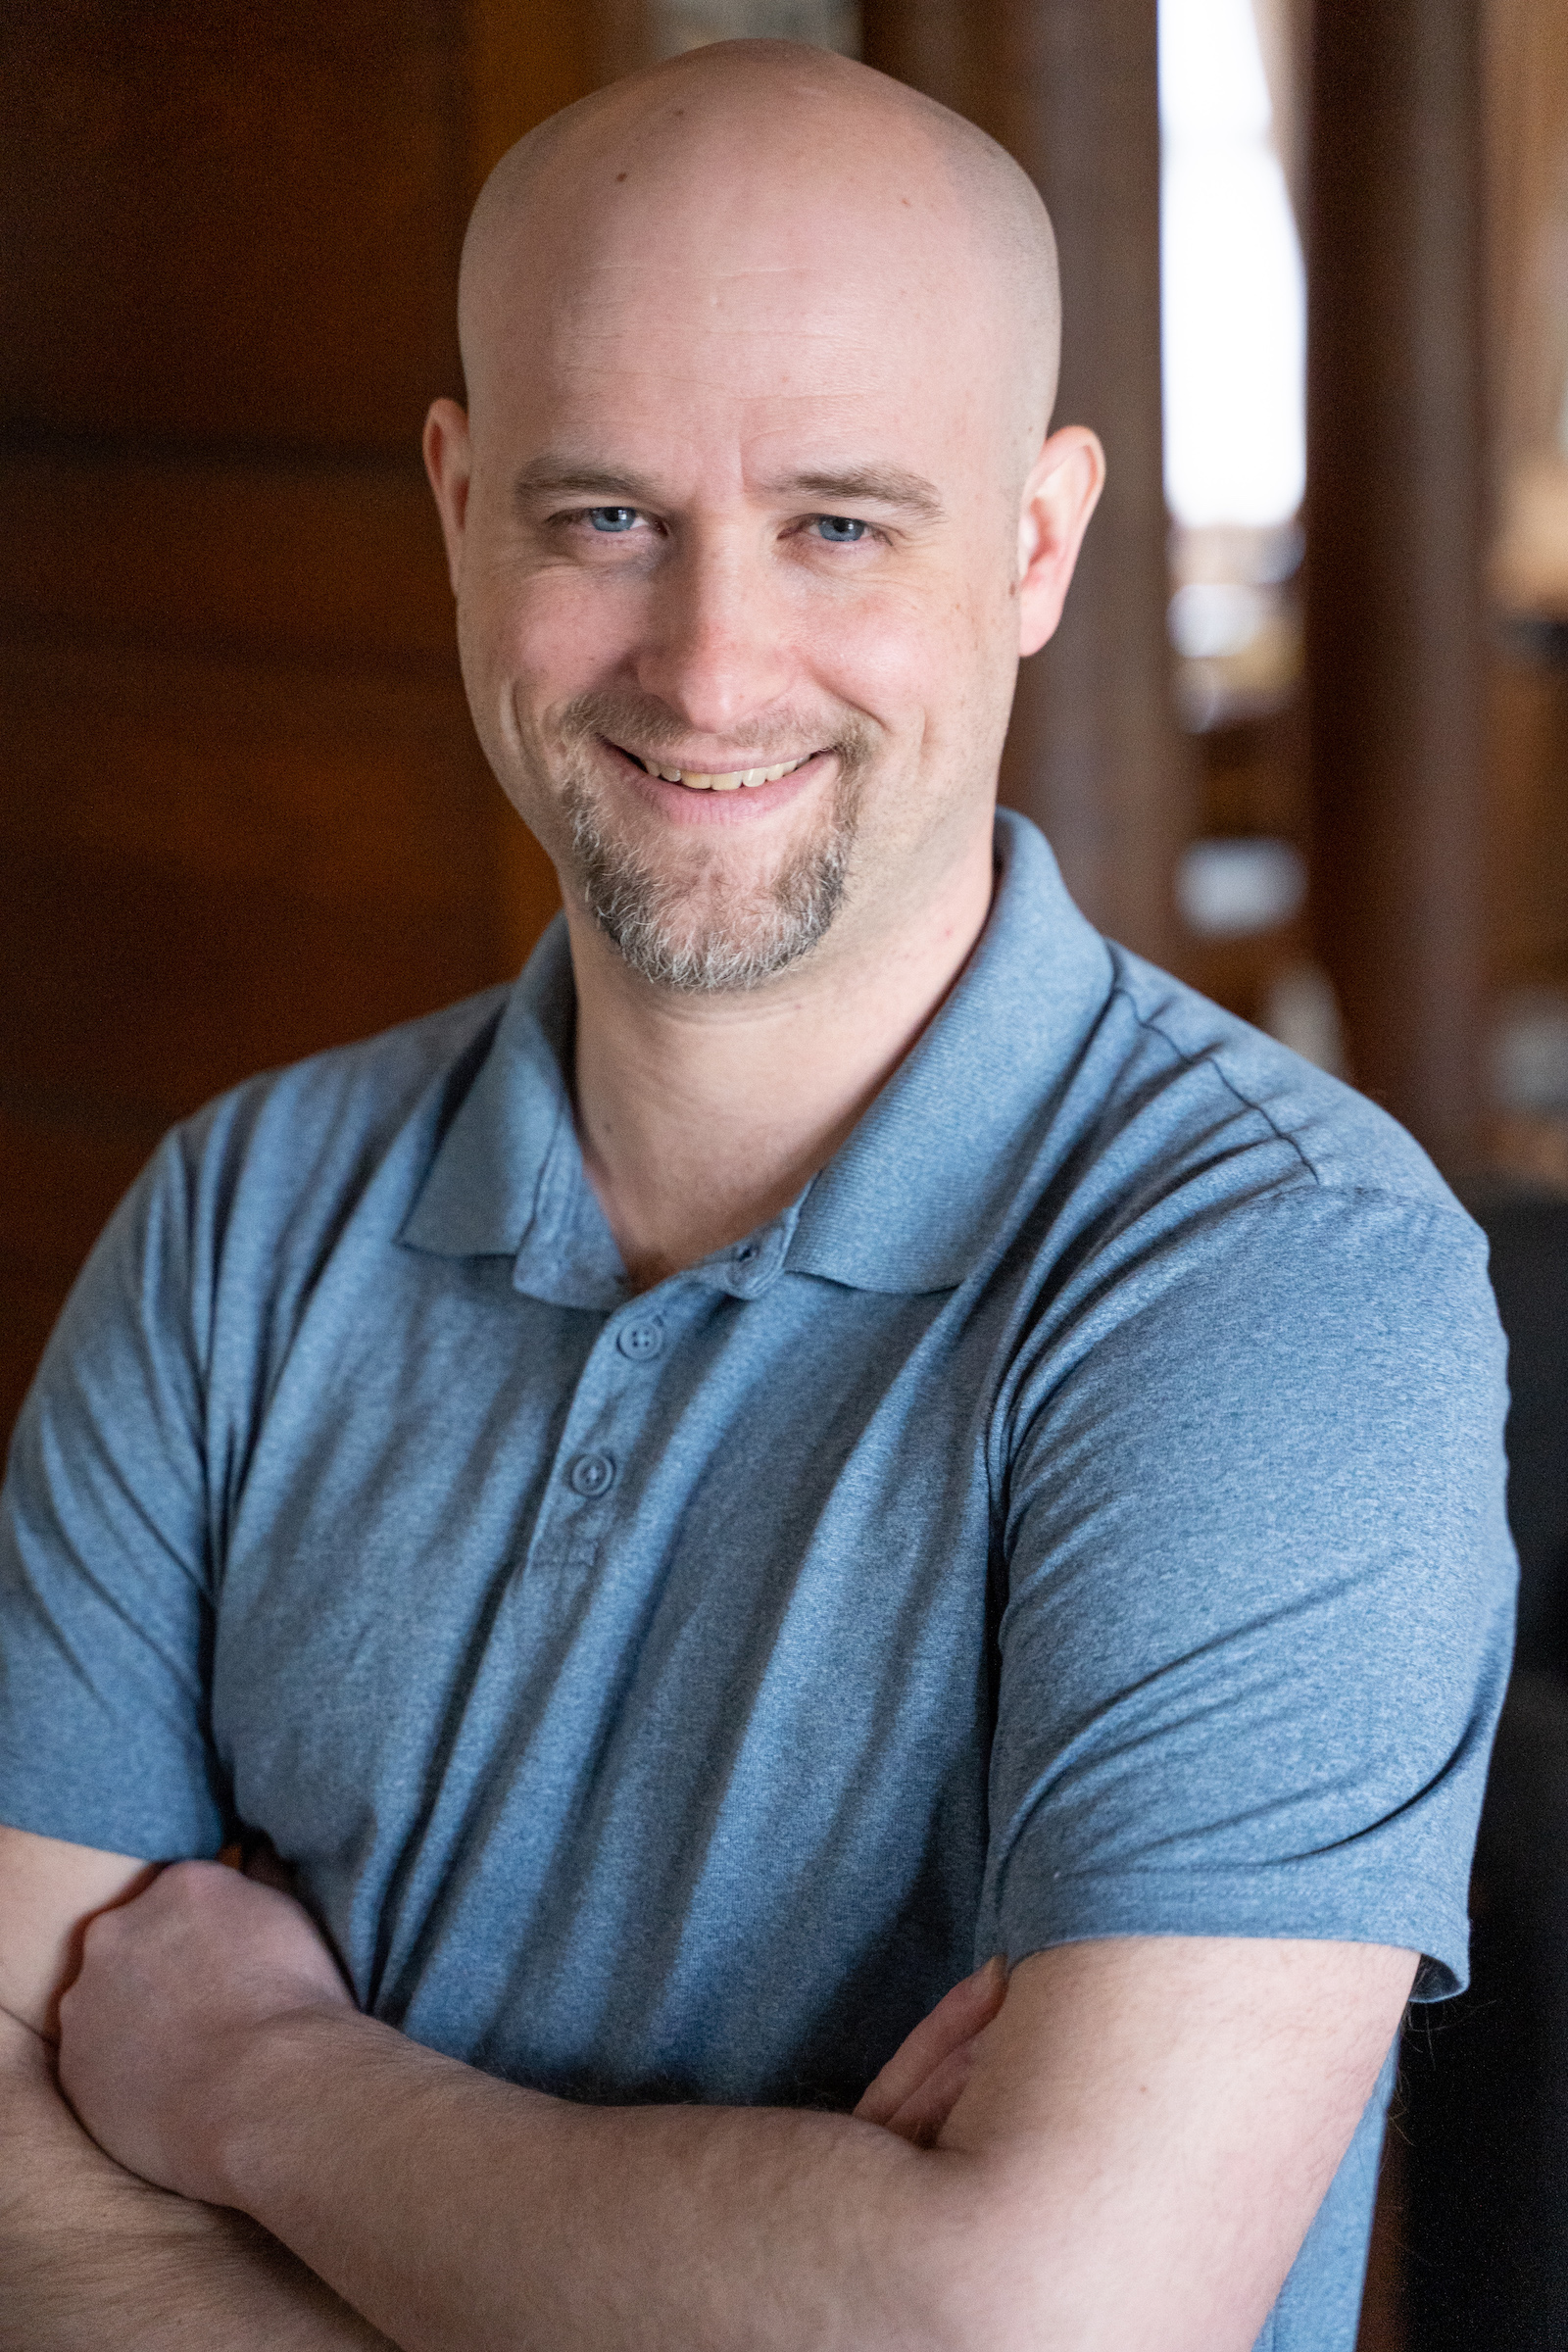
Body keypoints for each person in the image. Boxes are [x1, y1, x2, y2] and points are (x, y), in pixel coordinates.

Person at [0, 38, 1513, 2352]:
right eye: (606, 515)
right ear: (459, 506)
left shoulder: (1280, 1280)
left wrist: (251, 2082)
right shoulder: (236, 1224)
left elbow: (1039, 2325)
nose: (708, 669)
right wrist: (796, 2267)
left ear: (1031, 545)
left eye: (837, 525)